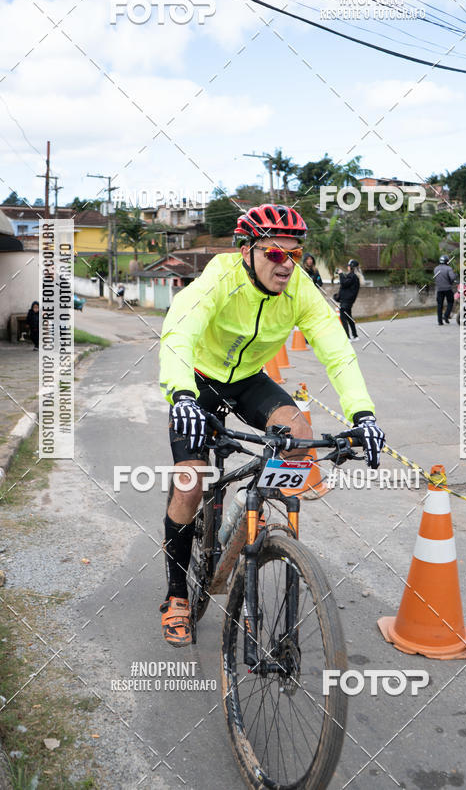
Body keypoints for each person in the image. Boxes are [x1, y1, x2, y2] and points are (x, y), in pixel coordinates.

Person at [158, 204, 385, 646]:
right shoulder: (220, 277)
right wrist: (181, 394)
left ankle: (253, 531)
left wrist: (364, 416)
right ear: (248, 250)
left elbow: (338, 352)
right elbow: (179, 333)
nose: (286, 264)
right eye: (274, 254)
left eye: (294, 254)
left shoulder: (300, 289)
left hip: (247, 381)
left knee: (299, 437)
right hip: (198, 382)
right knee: (190, 482)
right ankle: (176, 595)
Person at [337, 259, 360, 341]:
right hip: (348, 302)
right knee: (349, 318)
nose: (347, 267)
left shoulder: (352, 276)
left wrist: (340, 274)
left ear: (351, 267)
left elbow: (343, 283)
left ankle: (347, 337)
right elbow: (345, 287)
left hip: (346, 302)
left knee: (343, 319)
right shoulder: (354, 277)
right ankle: (355, 335)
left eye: (349, 266)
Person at [434, 255, 456, 325]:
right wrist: (451, 281)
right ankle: (446, 315)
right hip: (448, 289)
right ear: (447, 261)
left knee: (439, 305)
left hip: (439, 289)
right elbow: (452, 278)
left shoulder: (436, 268)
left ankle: (439, 321)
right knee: (450, 302)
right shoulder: (449, 268)